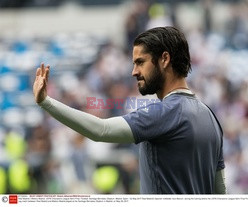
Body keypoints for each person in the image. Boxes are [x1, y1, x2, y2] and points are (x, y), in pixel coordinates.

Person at [33, 26, 226, 194]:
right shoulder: (211, 118)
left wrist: (46, 102)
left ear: (164, 59)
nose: (134, 72)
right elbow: (220, 193)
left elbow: (101, 130)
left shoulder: (164, 113)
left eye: (140, 62)